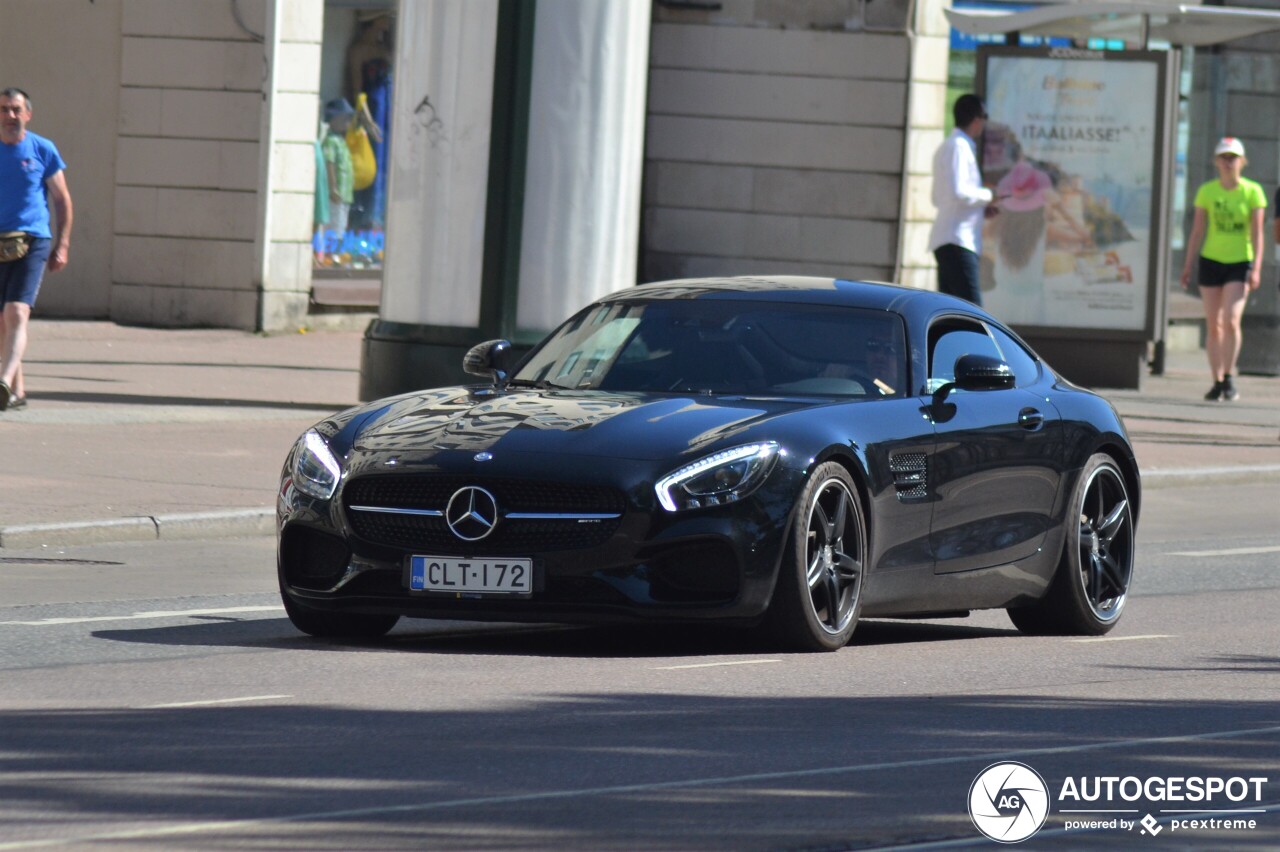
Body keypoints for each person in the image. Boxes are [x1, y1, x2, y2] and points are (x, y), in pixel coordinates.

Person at [0, 87, 72, 411]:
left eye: (16, 109)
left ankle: (2, 380)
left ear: (27, 114)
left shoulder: (43, 149)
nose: (10, 116)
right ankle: (18, 392)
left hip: (33, 241)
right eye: (4, 109)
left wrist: (62, 244)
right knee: (3, 320)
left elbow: (61, 200)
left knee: (16, 312)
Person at [1180, 136, 1267, 402]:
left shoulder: (1252, 192)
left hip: (1240, 261)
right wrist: (1188, 264)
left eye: (1233, 158)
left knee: (1231, 320)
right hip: (1211, 260)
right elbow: (1197, 231)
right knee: (1214, 324)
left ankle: (1229, 376)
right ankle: (1216, 379)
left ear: (1242, 162)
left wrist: (1257, 268)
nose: (1228, 163)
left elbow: (1258, 232)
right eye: (1224, 158)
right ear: (1216, 162)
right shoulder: (1207, 191)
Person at [928, 94, 996, 305]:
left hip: (952, 238)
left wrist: (981, 207)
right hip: (957, 239)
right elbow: (960, 192)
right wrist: (989, 195)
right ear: (977, 119)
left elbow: (939, 197)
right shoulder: (958, 146)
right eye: (984, 117)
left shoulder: (952, 145)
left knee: (951, 311)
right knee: (972, 312)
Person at [320, 97, 356, 243]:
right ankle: (331, 252)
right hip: (336, 194)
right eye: (344, 117)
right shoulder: (331, 141)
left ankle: (336, 251)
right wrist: (332, 187)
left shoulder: (341, 140)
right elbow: (330, 164)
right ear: (334, 119)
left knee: (341, 224)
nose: (348, 120)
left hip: (345, 194)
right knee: (334, 225)